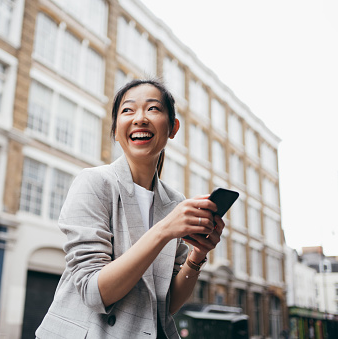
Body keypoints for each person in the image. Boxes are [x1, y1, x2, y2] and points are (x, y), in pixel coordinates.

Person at [35, 79, 225, 338]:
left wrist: (197, 257)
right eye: (128, 110)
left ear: (173, 128)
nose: (140, 118)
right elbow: (94, 292)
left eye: (153, 109)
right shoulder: (93, 183)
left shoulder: (174, 202)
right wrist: (164, 231)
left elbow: (164, 306)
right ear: (115, 130)